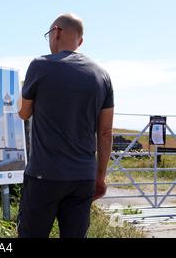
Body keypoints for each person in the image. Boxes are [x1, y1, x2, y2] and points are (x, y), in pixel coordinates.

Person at [17, 13, 114, 238]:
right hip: (83, 178)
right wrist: (100, 176)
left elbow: (24, 113)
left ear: (56, 32)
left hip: (44, 175)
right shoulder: (102, 75)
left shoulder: (40, 66)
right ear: (80, 41)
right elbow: (106, 132)